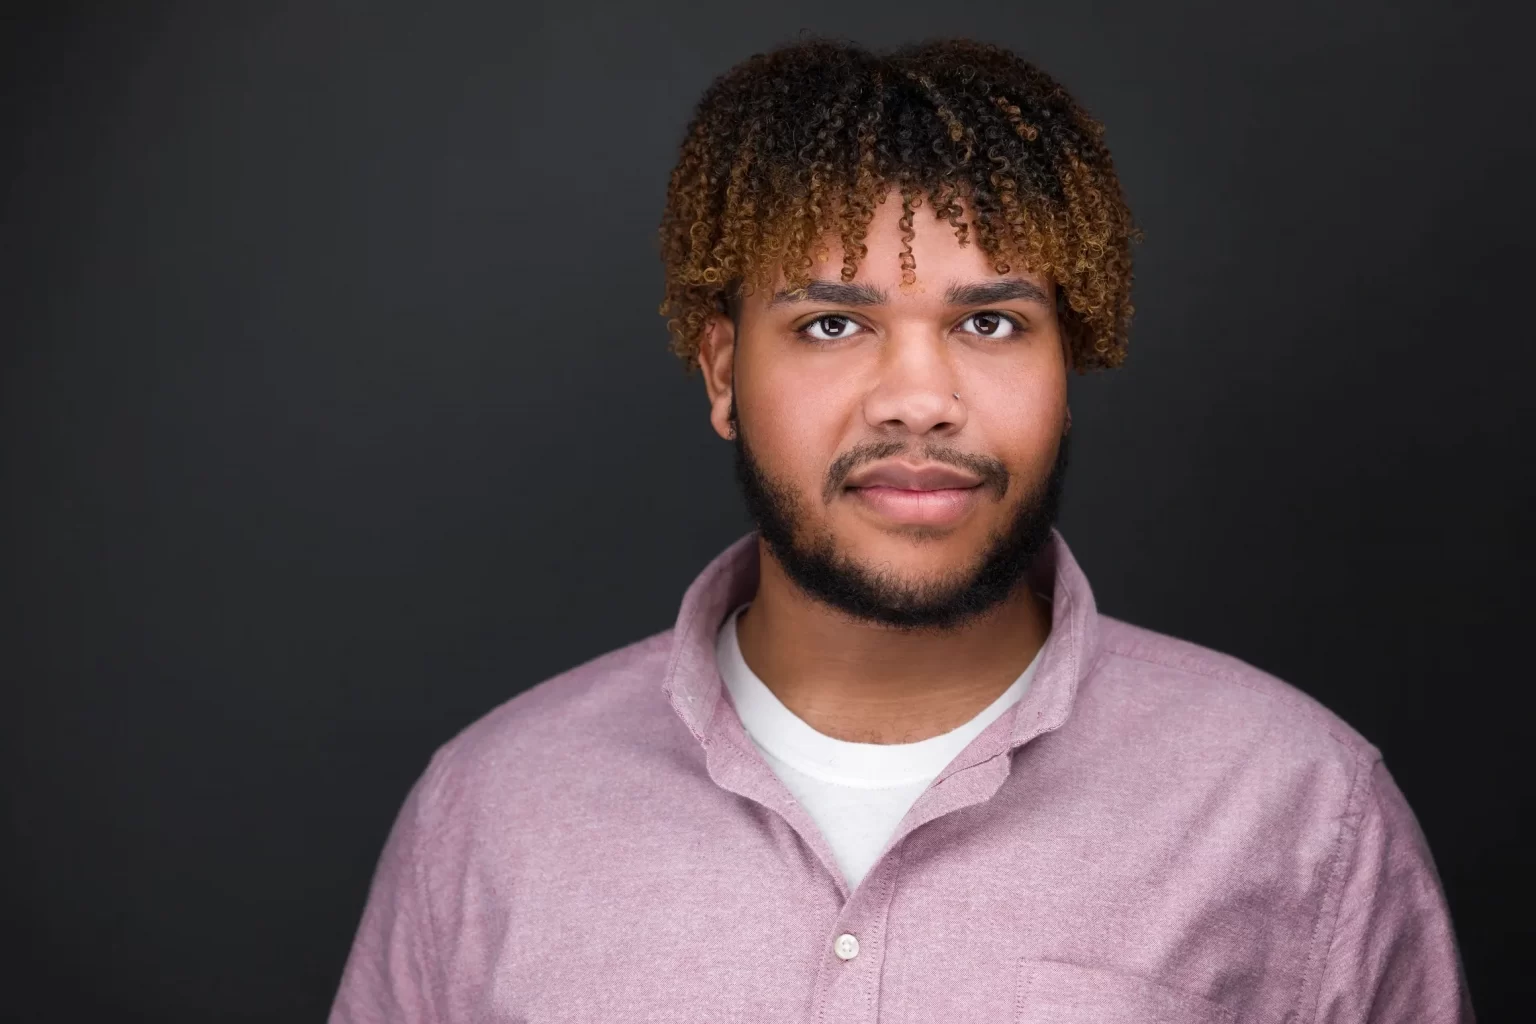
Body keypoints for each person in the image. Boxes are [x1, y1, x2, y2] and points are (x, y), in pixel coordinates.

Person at [330, 38, 1471, 1023]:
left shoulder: (1299, 808)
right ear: (723, 375)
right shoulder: (489, 812)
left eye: (991, 321)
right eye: (833, 323)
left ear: (1067, 367)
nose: (918, 400)